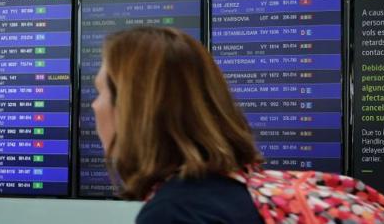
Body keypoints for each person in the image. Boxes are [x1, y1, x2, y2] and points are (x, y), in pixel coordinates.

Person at [91, 27, 264, 224]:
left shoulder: (176, 213)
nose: (94, 105)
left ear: (133, 109)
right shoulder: (242, 193)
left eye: (100, 91)